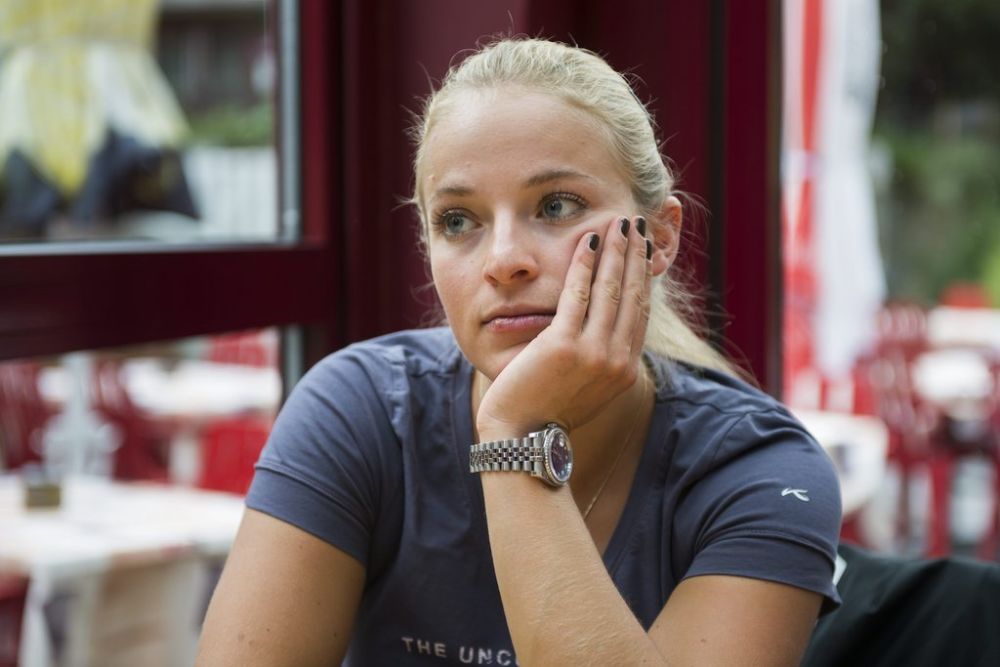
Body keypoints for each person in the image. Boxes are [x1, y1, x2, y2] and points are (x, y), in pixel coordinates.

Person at [196, 37, 841, 666]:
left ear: (661, 237)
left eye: (556, 206)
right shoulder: (357, 411)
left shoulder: (761, 471)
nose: (503, 261)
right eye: (457, 221)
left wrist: (517, 432)